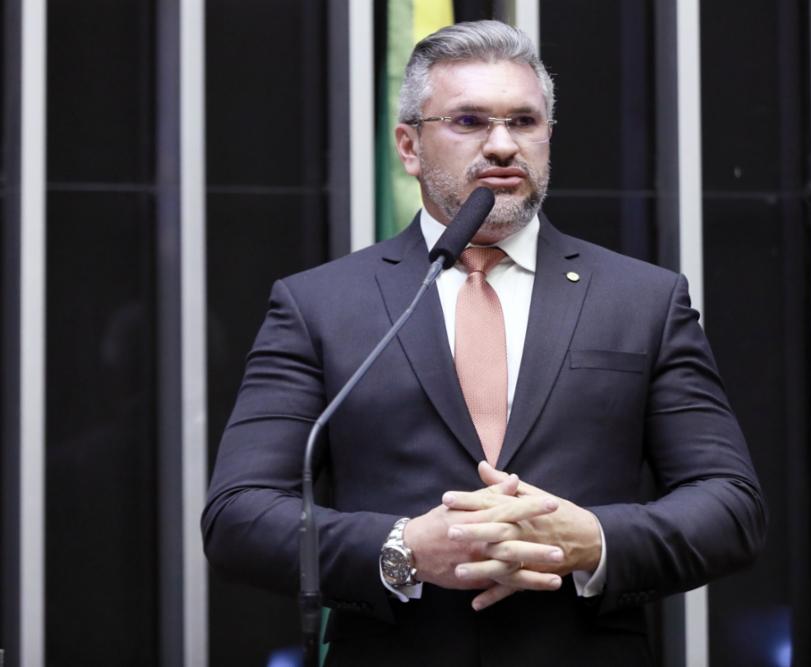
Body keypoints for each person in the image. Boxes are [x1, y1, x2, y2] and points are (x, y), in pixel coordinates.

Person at [202, 20, 766, 666]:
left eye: (524, 123)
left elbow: (731, 504)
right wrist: (403, 547)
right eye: (469, 121)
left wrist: (592, 539)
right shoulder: (322, 305)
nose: (502, 145)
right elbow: (238, 518)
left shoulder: (642, 301)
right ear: (409, 146)